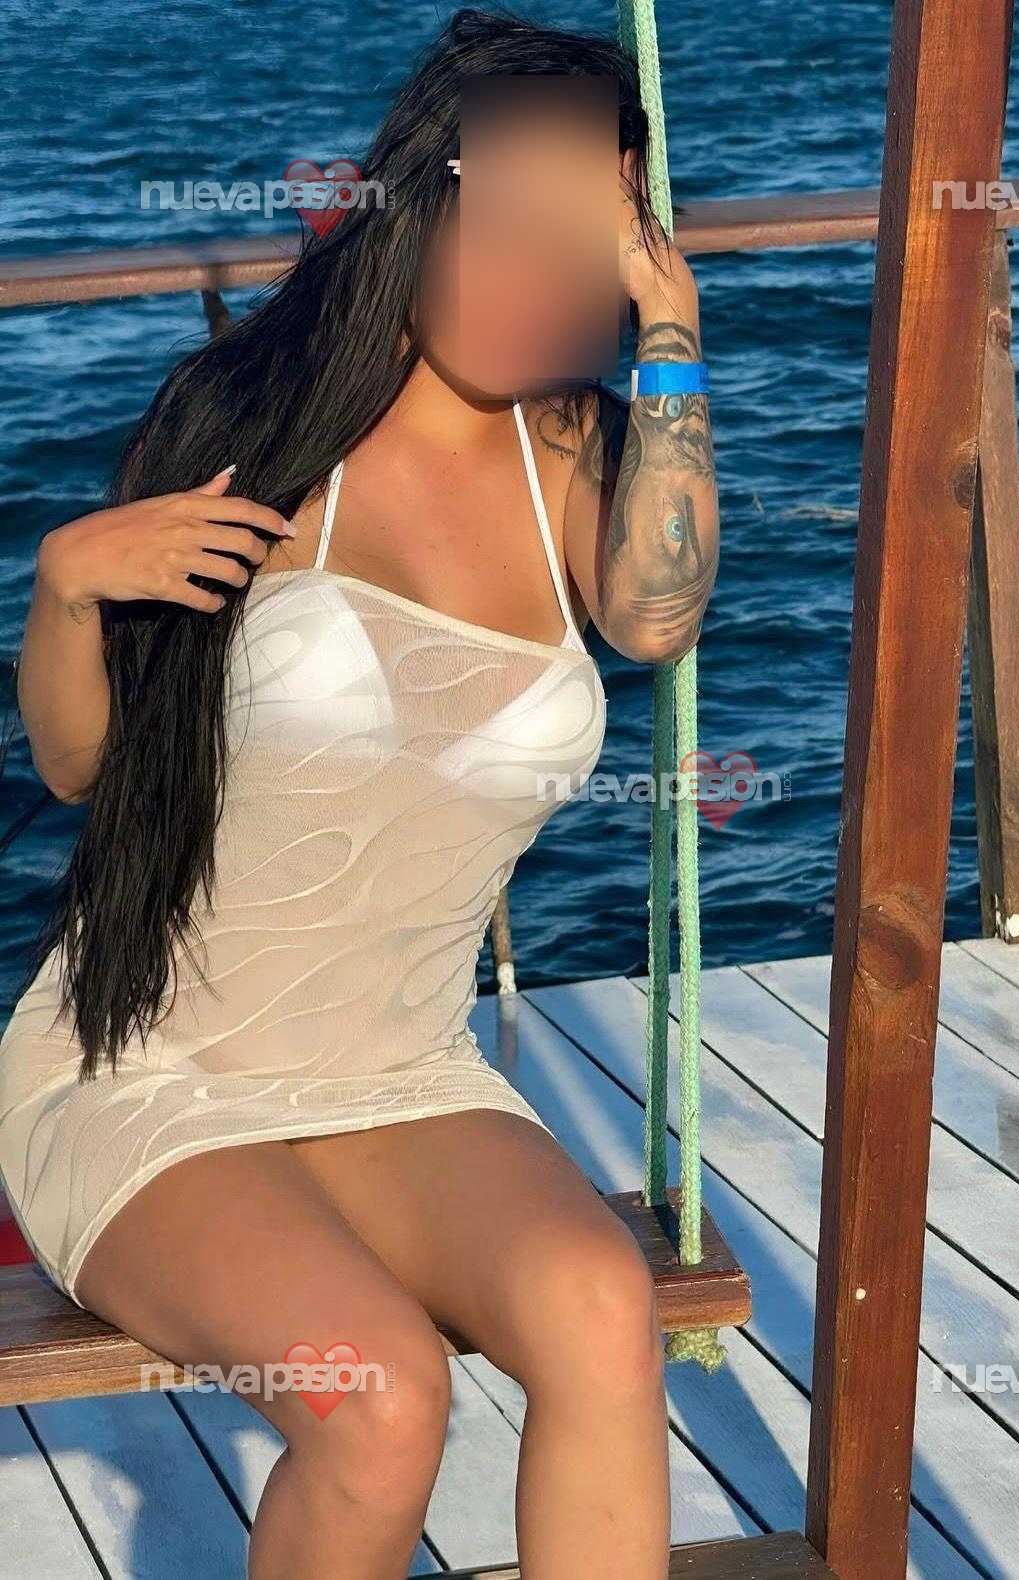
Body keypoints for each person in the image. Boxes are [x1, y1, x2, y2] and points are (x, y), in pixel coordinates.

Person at [0, 9, 718, 1577]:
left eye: (576, 246)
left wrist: (670, 333)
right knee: (377, 1392)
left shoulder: (575, 453)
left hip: (397, 1073)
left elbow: (658, 617)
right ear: (421, 203)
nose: (532, 281)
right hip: (150, 1070)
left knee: (603, 1305)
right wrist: (66, 586)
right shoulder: (256, 427)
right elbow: (77, 765)